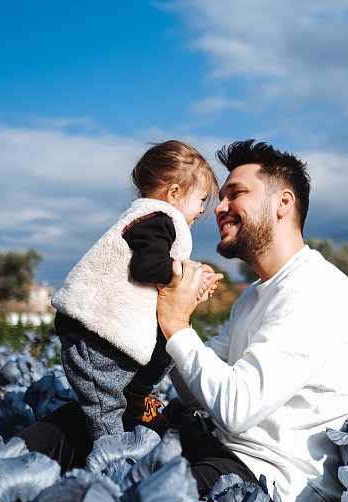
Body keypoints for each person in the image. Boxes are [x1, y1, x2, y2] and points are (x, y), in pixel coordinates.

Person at [156, 139, 348, 502]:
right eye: (219, 197)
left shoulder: (315, 289)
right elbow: (194, 391)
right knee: (81, 432)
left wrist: (177, 324)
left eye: (235, 194)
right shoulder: (256, 295)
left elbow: (235, 410)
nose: (219, 208)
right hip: (229, 458)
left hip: (270, 492)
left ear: (283, 203)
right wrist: (165, 314)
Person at [49, 140, 223, 441]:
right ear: (174, 194)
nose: (203, 209)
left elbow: (158, 273)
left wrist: (190, 281)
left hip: (106, 332)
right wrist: (185, 274)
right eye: (202, 199)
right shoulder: (155, 220)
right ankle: (112, 459)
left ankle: (134, 395)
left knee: (169, 343)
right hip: (91, 335)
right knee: (104, 406)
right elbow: (146, 268)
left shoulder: (157, 224)